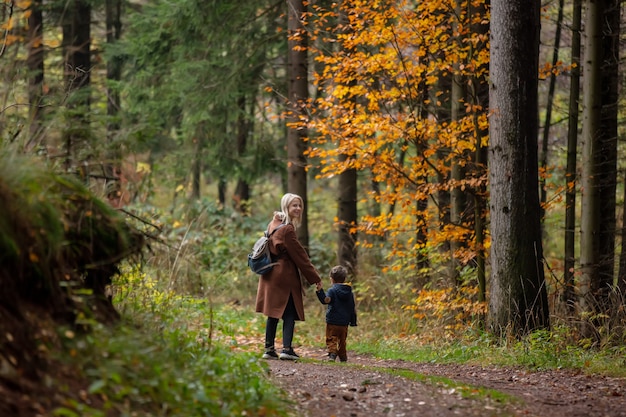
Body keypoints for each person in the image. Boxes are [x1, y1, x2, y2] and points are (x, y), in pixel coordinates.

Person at [255, 193, 322, 360]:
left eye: (299, 205)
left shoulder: (274, 223)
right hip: (284, 275)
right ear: (286, 207)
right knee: (289, 311)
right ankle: (286, 349)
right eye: (294, 205)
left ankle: (269, 349)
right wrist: (315, 278)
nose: (298, 208)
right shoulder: (287, 229)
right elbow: (301, 257)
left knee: (273, 311)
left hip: (271, 272)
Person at [315, 265, 357, 362]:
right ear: (345, 278)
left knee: (331, 338)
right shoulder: (349, 292)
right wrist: (353, 321)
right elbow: (352, 307)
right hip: (344, 322)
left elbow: (326, 300)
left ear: (332, 279)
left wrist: (320, 291)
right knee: (342, 340)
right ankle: (343, 357)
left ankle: (332, 354)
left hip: (333, 321)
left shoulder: (332, 290)